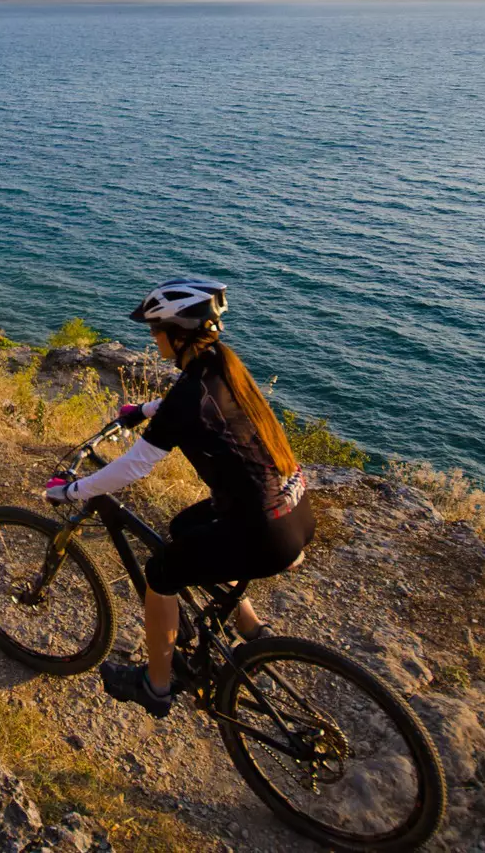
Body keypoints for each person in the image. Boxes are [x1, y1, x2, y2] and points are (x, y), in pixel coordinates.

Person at [42, 277, 315, 718]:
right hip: (292, 512)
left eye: (156, 330)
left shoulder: (191, 392)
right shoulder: (223, 366)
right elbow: (192, 403)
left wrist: (73, 490)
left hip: (264, 534)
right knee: (183, 529)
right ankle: (252, 629)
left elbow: (133, 467)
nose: (152, 339)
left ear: (179, 333)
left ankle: (156, 684)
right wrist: (145, 411)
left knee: (160, 573)